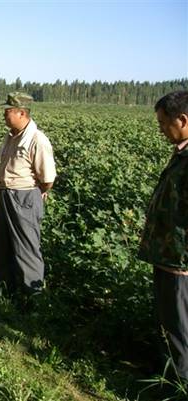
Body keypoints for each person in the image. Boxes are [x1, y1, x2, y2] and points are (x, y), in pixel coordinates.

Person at [138, 90, 188, 382]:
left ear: (182, 119)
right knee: (170, 322)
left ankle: (179, 384)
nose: (160, 129)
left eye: (163, 123)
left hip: (181, 260)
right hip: (169, 255)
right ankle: (169, 372)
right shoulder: (182, 153)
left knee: (180, 325)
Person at [0, 92, 56, 304]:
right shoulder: (11, 136)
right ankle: (6, 291)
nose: (4, 114)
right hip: (4, 195)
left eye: (8, 111)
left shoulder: (37, 139)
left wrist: (35, 192)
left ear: (21, 113)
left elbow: (47, 179)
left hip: (24, 198)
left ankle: (33, 299)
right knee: (4, 247)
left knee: (26, 249)